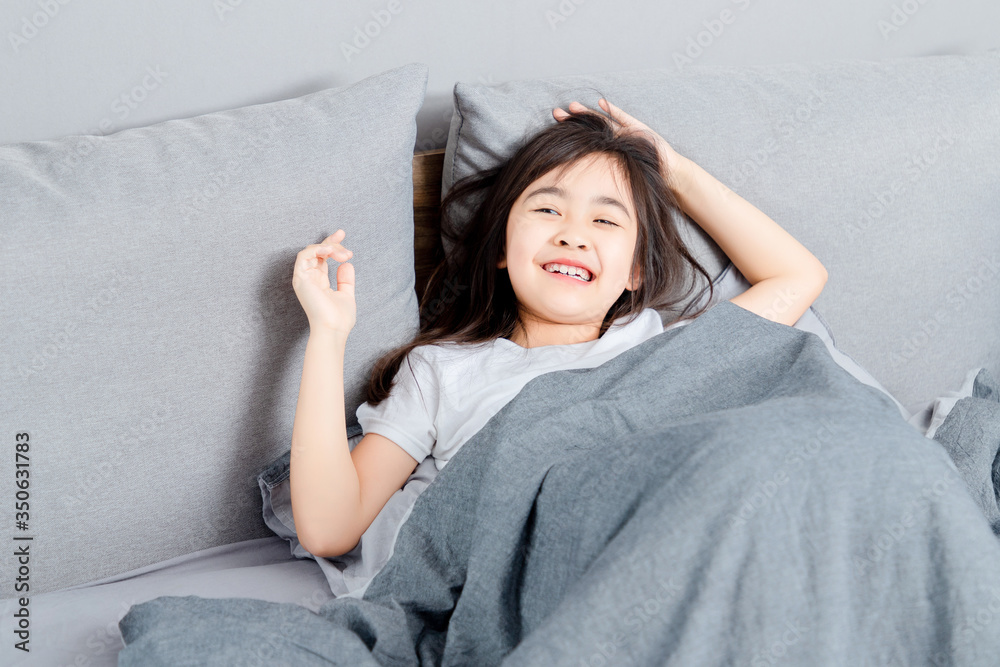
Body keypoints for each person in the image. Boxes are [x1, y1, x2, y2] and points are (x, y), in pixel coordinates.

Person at [288, 97, 828, 559]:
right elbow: (329, 529)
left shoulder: (664, 345)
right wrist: (328, 334)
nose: (573, 235)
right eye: (548, 210)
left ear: (635, 271)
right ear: (502, 247)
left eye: (606, 220)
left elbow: (796, 275)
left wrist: (671, 168)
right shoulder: (444, 371)